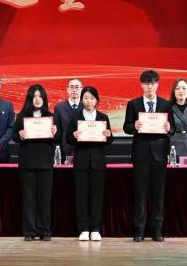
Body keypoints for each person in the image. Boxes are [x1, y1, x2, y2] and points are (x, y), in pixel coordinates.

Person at [123, 68, 174, 242]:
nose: (150, 86)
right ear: (141, 85)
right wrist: (134, 126)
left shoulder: (166, 104)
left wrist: (169, 128)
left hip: (160, 153)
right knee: (140, 193)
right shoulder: (133, 104)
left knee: (158, 194)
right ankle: (139, 230)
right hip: (141, 153)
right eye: (147, 83)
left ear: (157, 85)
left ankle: (157, 230)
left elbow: (172, 128)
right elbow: (126, 127)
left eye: (153, 83)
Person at [11, 84, 60, 241]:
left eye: (40, 96)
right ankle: (29, 231)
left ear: (44, 99)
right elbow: (14, 136)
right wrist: (20, 134)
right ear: (29, 99)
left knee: (44, 199)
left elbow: (58, 138)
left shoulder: (51, 116)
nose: (37, 99)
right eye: (34, 96)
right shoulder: (22, 116)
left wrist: (55, 133)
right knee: (28, 199)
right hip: (27, 162)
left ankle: (45, 231)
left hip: (45, 162)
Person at [66, 84, 113, 241]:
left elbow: (109, 140)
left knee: (97, 196)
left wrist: (108, 135)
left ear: (97, 100)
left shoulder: (103, 117)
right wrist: (74, 135)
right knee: (82, 196)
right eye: (86, 98)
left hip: (98, 162)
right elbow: (68, 138)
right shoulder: (76, 118)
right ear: (81, 100)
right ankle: (84, 229)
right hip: (81, 162)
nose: (89, 101)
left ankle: (95, 229)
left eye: (92, 98)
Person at [53, 78, 83, 162]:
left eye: (77, 87)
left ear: (81, 89)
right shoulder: (59, 107)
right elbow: (58, 132)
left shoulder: (86, 107)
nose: (74, 90)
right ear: (67, 89)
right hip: (65, 148)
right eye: (71, 87)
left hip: (82, 148)